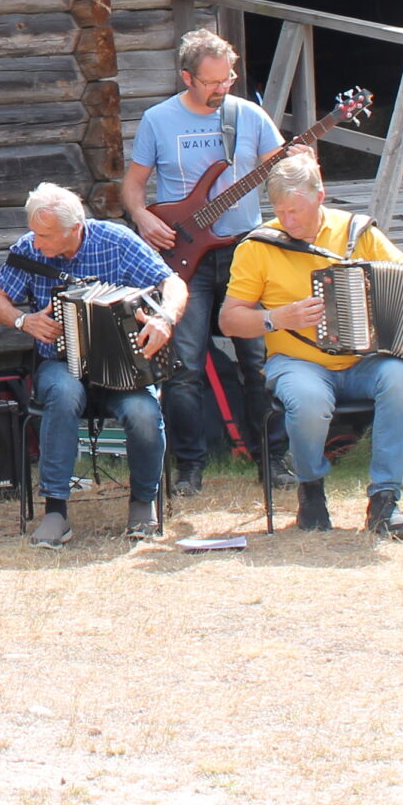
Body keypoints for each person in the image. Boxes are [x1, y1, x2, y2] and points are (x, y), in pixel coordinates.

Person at [218, 154, 403, 540]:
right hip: (296, 361)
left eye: (296, 211)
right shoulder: (259, 246)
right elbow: (229, 319)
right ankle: (311, 489)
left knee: (400, 378)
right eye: (281, 212)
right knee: (308, 399)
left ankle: (385, 501)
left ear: (321, 196)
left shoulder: (358, 233)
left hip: (363, 362)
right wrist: (277, 318)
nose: (289, 221)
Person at [124, 27, 293, 497]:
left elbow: (282, 174)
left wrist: (299, 163)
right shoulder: (158, 120)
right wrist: (142, 217)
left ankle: (274, 461)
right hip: (185, 258)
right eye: (213, 81)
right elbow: (133, 185)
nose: (224, 88)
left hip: (245, 252)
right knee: (185, 367)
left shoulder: (250, 116)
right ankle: (189, 468)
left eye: (229, 78)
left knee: (258, 361)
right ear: (186, 77)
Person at [0, 182, 185, 546]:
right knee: (62, 394)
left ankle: (143, 503)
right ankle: (56, 511)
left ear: (74, 229)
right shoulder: (29, 251)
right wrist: (22, 321)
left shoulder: (117, 241)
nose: (36, 240)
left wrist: (164, 318)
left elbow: (173, 283)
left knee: (142, 411)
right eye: (34, 231)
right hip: (60, 363)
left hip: (123, 366)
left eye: (44, 234)